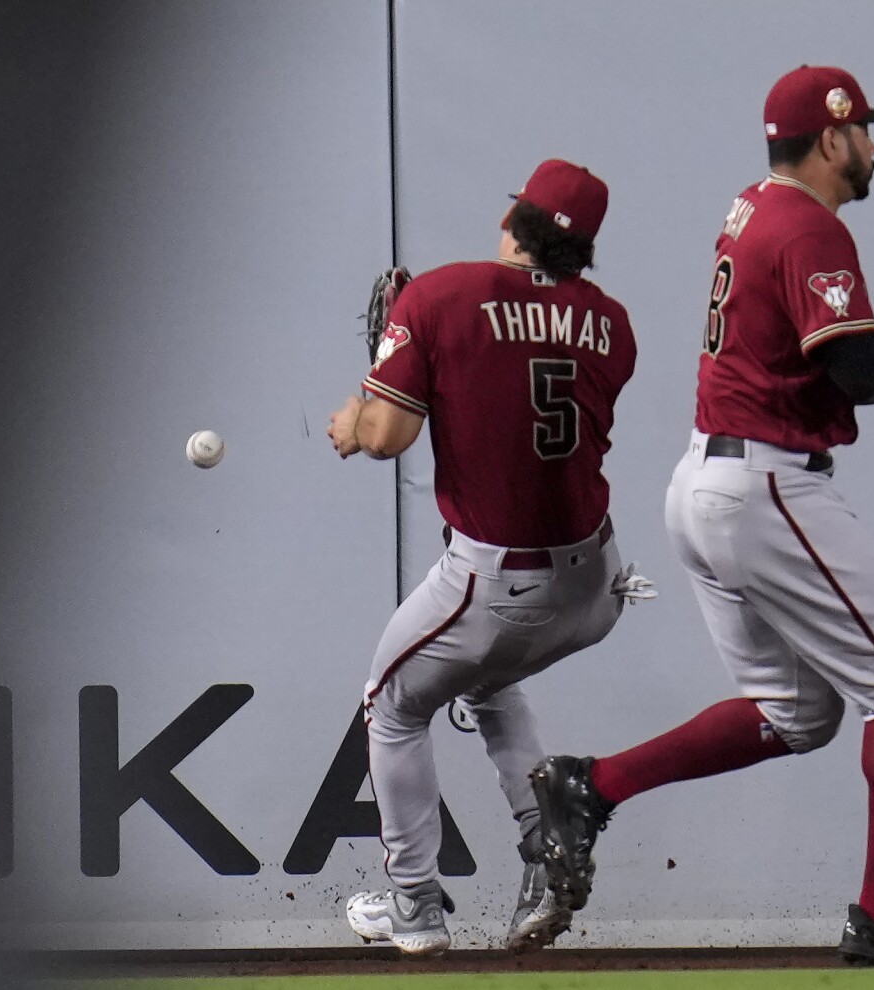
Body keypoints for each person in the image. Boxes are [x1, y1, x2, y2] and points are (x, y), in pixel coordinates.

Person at [529, 66, 874, 966]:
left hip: (710, 481)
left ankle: (592, 785)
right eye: (866, 132)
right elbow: (854, 373)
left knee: (799, 711)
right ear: (832, 135)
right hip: (765, 485)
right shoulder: (810, 227)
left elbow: (825, 366)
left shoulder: (755, 207)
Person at [327, 159, 649, 956]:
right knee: (493, 681)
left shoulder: (440, 294)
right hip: (600, 581)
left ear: (515, 224)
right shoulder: (612, 322)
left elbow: (385, 437)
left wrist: (366, 396)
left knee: (392, 703)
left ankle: (413, 905)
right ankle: (545, 854)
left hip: (497, 579)